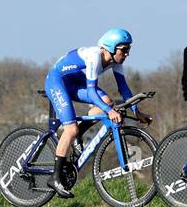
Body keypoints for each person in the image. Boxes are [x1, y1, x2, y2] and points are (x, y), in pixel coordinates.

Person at [44, 29, 153, 197]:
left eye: (128, 49)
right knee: (71, 129)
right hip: (57, 82)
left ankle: (79, 133)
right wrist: (109, 112)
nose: (127, 53)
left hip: (75, 83)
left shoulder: (115, 61)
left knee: (108, 102)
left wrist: (137, 112)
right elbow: (92, 92)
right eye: (124, 49)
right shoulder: (94, 56)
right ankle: (55, 178)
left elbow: (123, 88)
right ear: (110, 47)